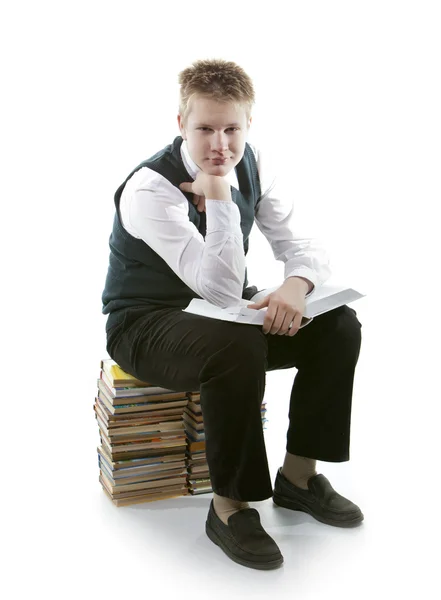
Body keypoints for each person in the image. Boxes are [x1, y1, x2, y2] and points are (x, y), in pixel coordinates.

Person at [101, 58, 363, 570]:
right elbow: (220, 291)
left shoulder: (253, 161)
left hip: (222, 317)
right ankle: (229, 507)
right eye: (205, 128)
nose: (219, 144)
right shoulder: (149, 189)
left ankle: (299, 477)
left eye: (231, 128)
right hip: (146, 322)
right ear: (181, 124)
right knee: (234, 344)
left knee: (336, 325)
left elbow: (304, 244)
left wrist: (294, 283)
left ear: (248, 125)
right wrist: (218, 193)